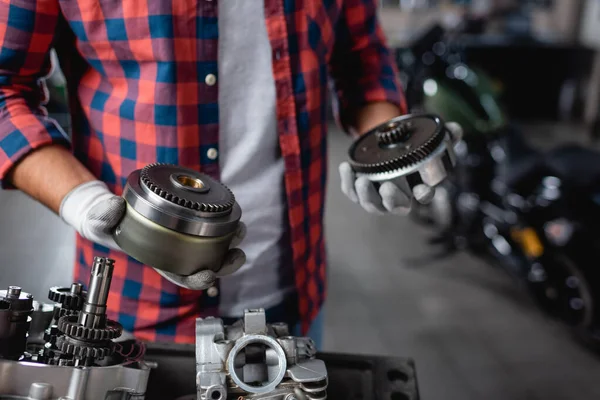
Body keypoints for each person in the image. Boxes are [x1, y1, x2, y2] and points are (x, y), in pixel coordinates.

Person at [0, 0, 460, 348]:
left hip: (292, 298)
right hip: (133, 310)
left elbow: (360, 54)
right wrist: (85, 204)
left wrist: (388, 150)